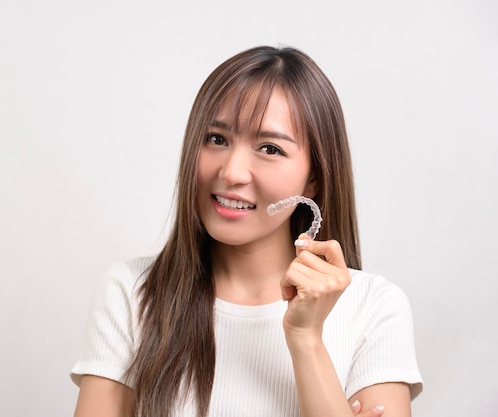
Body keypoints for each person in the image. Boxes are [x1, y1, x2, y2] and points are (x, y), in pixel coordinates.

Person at [70, 45, 423, 417]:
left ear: (314, 179)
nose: (232, 173)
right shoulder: (132, 293)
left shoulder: (375, 308)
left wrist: (306, 339)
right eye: (217, 139)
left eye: (269, 148)